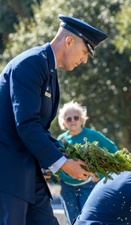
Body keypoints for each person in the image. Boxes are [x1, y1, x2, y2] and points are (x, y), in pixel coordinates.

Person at [0, 14, 108, 225]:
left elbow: (40, 130)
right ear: (69, 41)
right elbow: (27, 125)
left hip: (30, 175)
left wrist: (69, 155)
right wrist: (63, 164)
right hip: (8, 174)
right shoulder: (30, 63)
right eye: (85, 51)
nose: (84, 59)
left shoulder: (47, 69)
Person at [57, 100, 119, 224]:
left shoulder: (92, 135)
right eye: (69, 119)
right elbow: (56, 164)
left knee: (89, 221)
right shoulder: (60, 140)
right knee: (73, 222)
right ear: (64, 122)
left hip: (88, 186)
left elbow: (113, 150)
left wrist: (100, 174)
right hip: (67, 188)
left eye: (76, 117)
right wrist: (56, 178)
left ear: (82, 119)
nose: (73, 121)